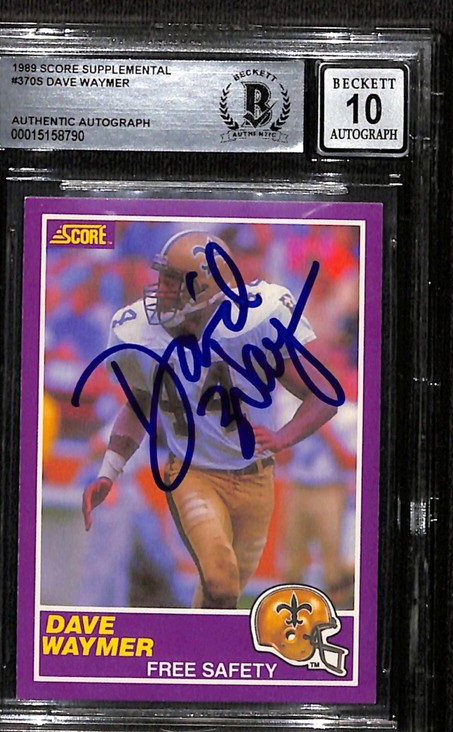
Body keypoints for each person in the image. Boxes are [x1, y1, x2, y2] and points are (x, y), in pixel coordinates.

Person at [80, 230, 341, 609]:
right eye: (162, 278)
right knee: (220, 578)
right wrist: (109, 471)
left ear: (206, 288)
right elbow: (139, 403)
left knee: (222, 593)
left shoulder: (254, 323)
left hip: (254, 478)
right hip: (192, 473)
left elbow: (324, 394)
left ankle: (198, 640)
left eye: (173, 282)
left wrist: (284, 437)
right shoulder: (142, 331)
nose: (160, 290)